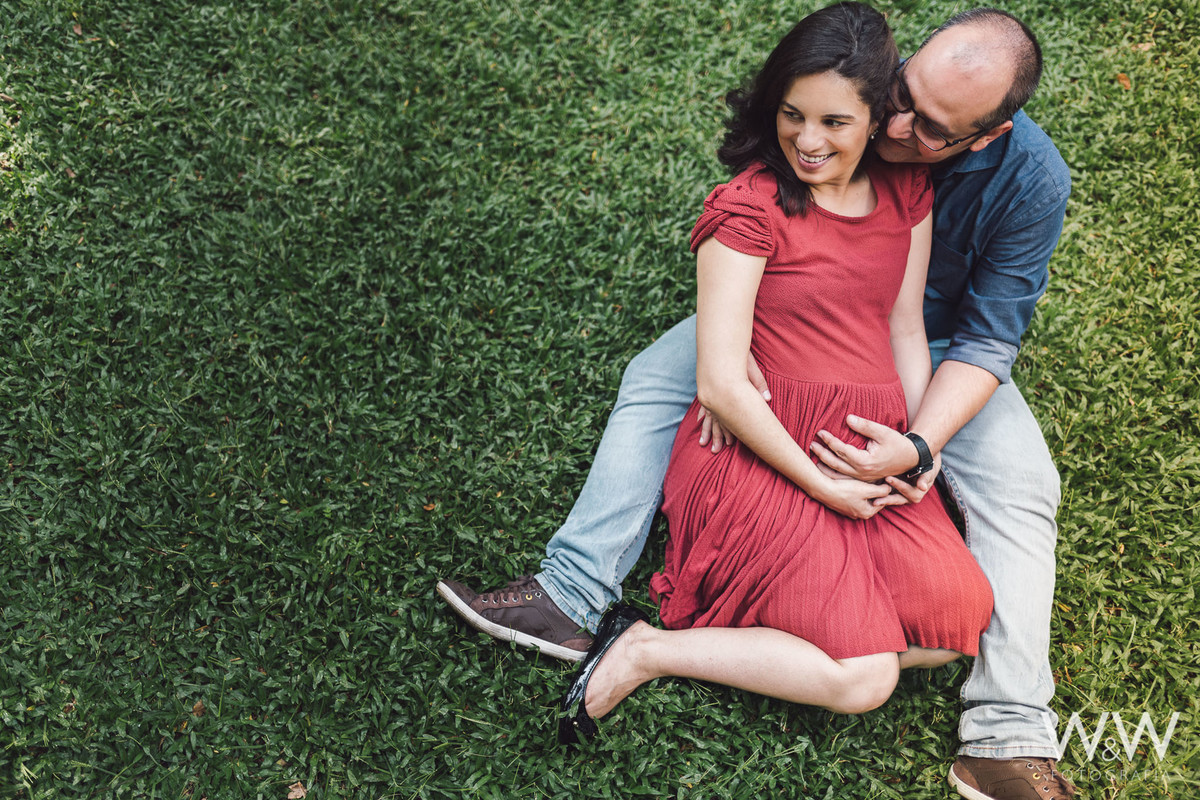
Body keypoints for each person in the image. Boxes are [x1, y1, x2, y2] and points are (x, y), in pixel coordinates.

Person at [438, 6, 1074, 799]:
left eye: (932, 128)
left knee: (1022, 488)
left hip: (934, 346)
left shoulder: (1030, 181)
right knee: (655, 377)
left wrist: (919, 443)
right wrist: (740, 340)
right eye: (901, 93)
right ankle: (570, 591)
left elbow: (984, 339)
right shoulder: (832, 126)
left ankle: (1005, 735)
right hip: (792, 309)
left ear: (983, 137)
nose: (899, 125)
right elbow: (750, 253)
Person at [545, 0, 996, 744]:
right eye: (793, 115)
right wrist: (823, 487)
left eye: (834, 123)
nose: (807, 141)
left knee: (955, 620)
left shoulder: (906, 195)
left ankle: (822, 606)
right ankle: (646, 650)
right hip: (761, 450)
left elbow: (904, 328)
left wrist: (919, 448)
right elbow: (720, 383)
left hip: (864, 448)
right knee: (865, 674)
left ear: (877, 116)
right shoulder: (749, 207)